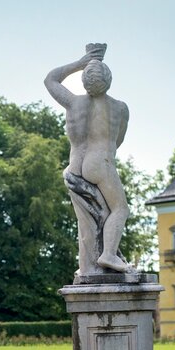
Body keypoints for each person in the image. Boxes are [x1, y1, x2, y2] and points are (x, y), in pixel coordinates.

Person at [44, 44, 132, 275]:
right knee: (120, 210)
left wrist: (80, 63)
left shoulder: (73, 102)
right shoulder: (120, 108)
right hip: (99, 163)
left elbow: (50, 80)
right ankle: (108, 255)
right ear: (109, 80)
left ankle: (89, 266)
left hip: (75, 167)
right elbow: (117, 142)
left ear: (84, 80)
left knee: (87, 223)